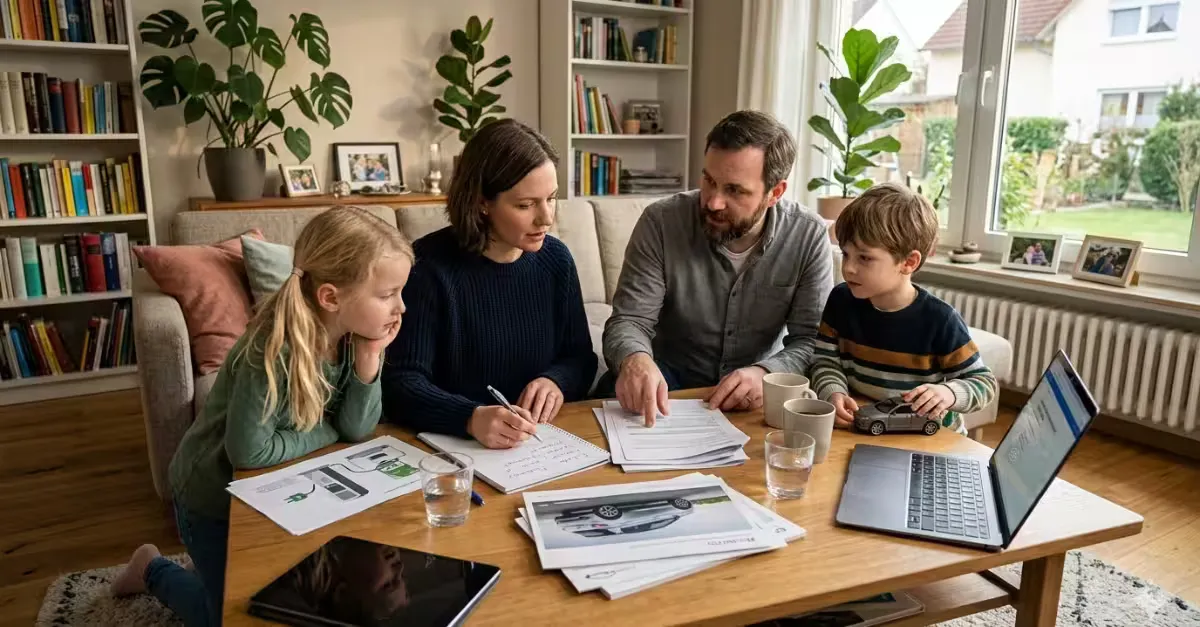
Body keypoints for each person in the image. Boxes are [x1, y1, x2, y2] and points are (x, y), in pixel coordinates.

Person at [109, 206, 413, 627]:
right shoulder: (271, 350)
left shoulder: (353, 337)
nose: (401, 307)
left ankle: (210, 571)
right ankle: (151, 569)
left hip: (277, 490)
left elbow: (357, 430)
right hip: (212, 498)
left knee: (290, 601)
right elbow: (250, 451)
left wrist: (369, 360)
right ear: (330, 297)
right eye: (387, 294)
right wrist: (328, 430)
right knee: (226, 618)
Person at [601, 110, 834, 426]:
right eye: (709, 180)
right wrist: (636, 360)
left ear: (775, 193)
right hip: (667, 383)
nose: (713, 202)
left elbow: (811, 340)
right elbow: (629, 320)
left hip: (754, 393)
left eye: (735, 190)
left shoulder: (807, 236)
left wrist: (766, 373)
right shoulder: (661, 223)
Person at [382, 119, 597, 449]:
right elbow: (400, 383)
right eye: (525, 205)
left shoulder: (557, 260)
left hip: (539, 443)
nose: (546, 218)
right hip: (455, 448)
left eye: (551, 198)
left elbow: (580, 358)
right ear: (482, 202)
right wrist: (468, 417)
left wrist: (556, 381)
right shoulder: (427, 267)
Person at [808, 183, 997, 433]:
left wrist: (948, 393)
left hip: (931, 439)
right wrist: (833, 392)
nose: (849, 268)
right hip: (869, 427)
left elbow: (984, 384)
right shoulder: (841, 301)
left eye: (864, 257)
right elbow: (824, 361)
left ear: (909, 262)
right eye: (845, 254)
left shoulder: (940, 320)